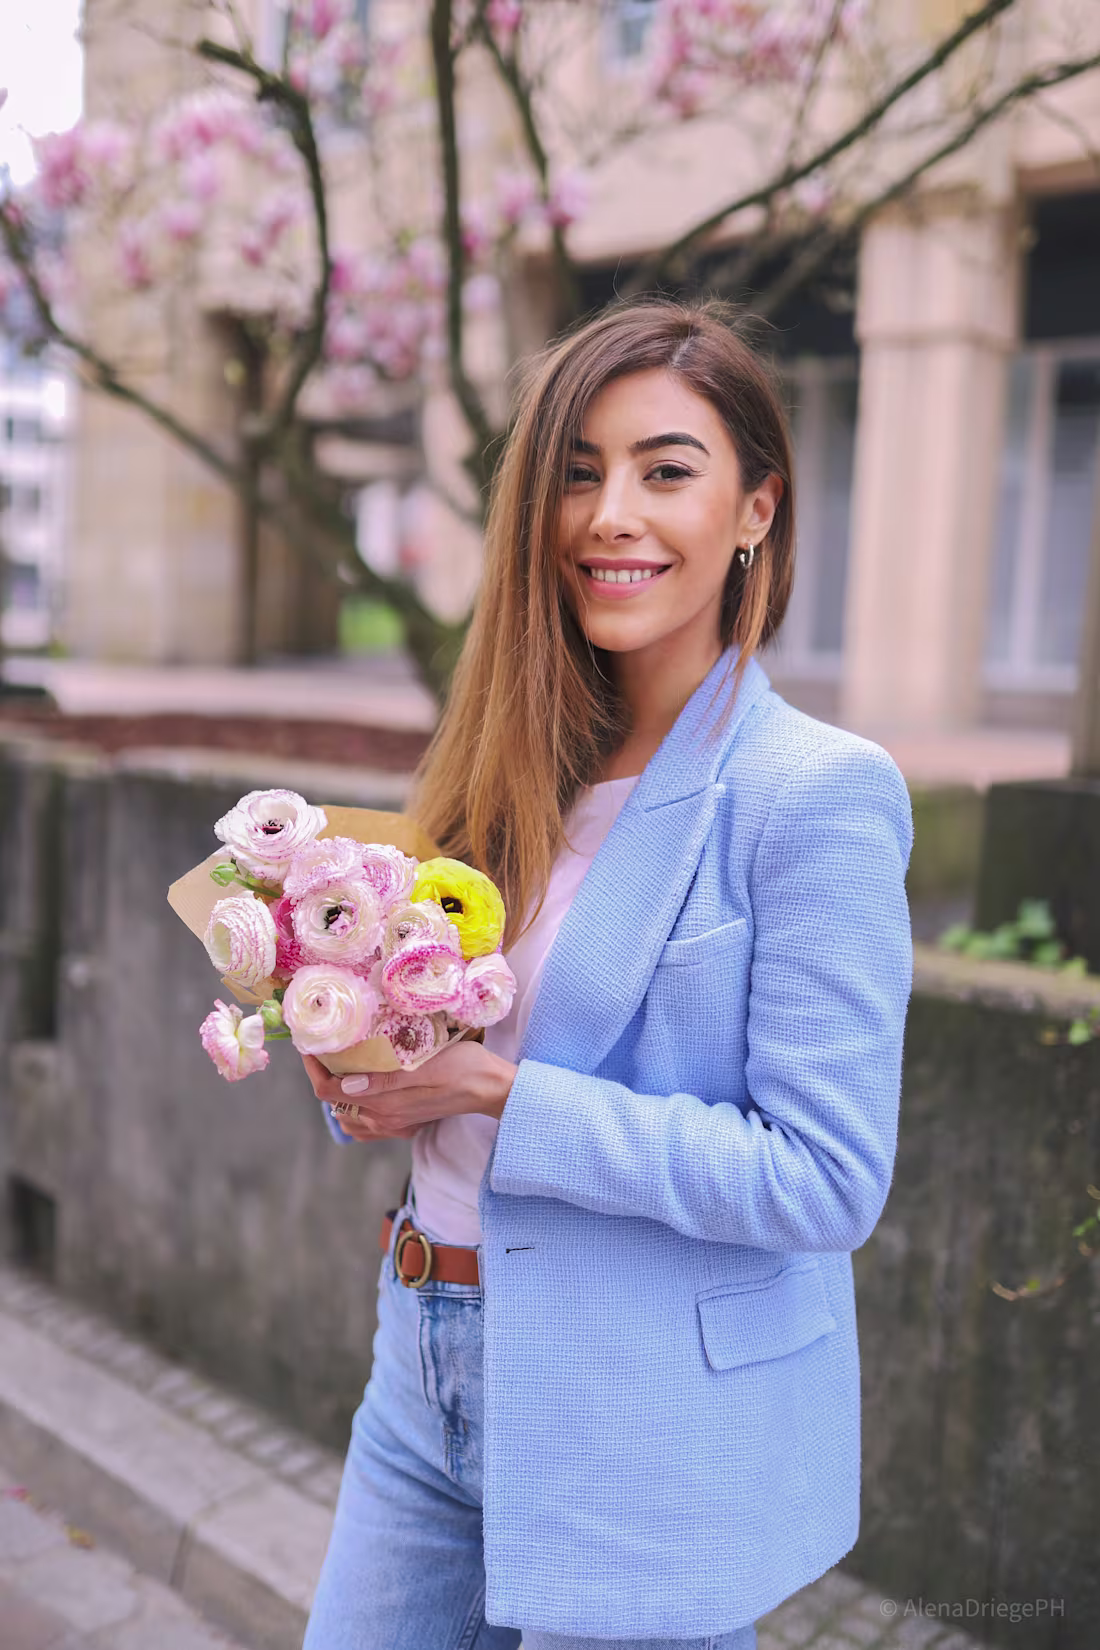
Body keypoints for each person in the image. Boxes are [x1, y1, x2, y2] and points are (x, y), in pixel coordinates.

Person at [299, 296, 914, 1650]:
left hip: (637, 1407)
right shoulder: (504, 765)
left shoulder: (814, 793)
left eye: (665, 469)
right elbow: (441, 1037)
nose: (610, 513)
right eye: (577, 472)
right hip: (427, 1354)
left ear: (756, 508)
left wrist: (506, 1097)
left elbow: (823, 1174)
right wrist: (368, 1061)